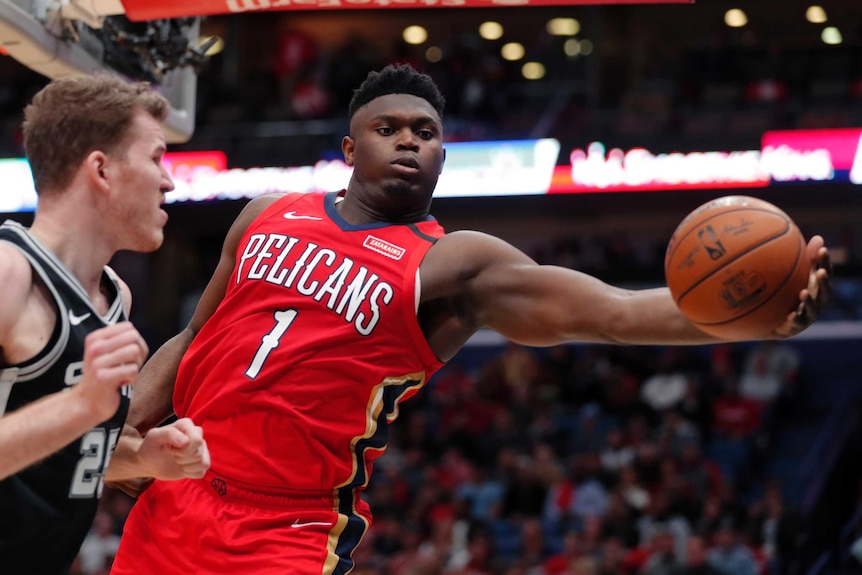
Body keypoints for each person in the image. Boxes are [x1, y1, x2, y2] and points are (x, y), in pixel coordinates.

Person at [111, 63, 831, 574]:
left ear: (443, 154)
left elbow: (612, 312)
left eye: (423, 131)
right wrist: (120, 438)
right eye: (386, 127)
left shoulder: (455, 265)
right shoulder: (264, 213)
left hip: (288, 526)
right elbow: (194, 338)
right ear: (350, 149)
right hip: (176, 496)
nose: (406, 140)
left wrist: (754, 321)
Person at [0, 74, 211, 574]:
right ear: (101, 168)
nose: (169, 180)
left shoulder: (114, 295)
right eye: (156, 156)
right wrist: (81, 405)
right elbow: (74, 415)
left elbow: (55, 455)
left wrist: (143, 460)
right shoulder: (10, 274)